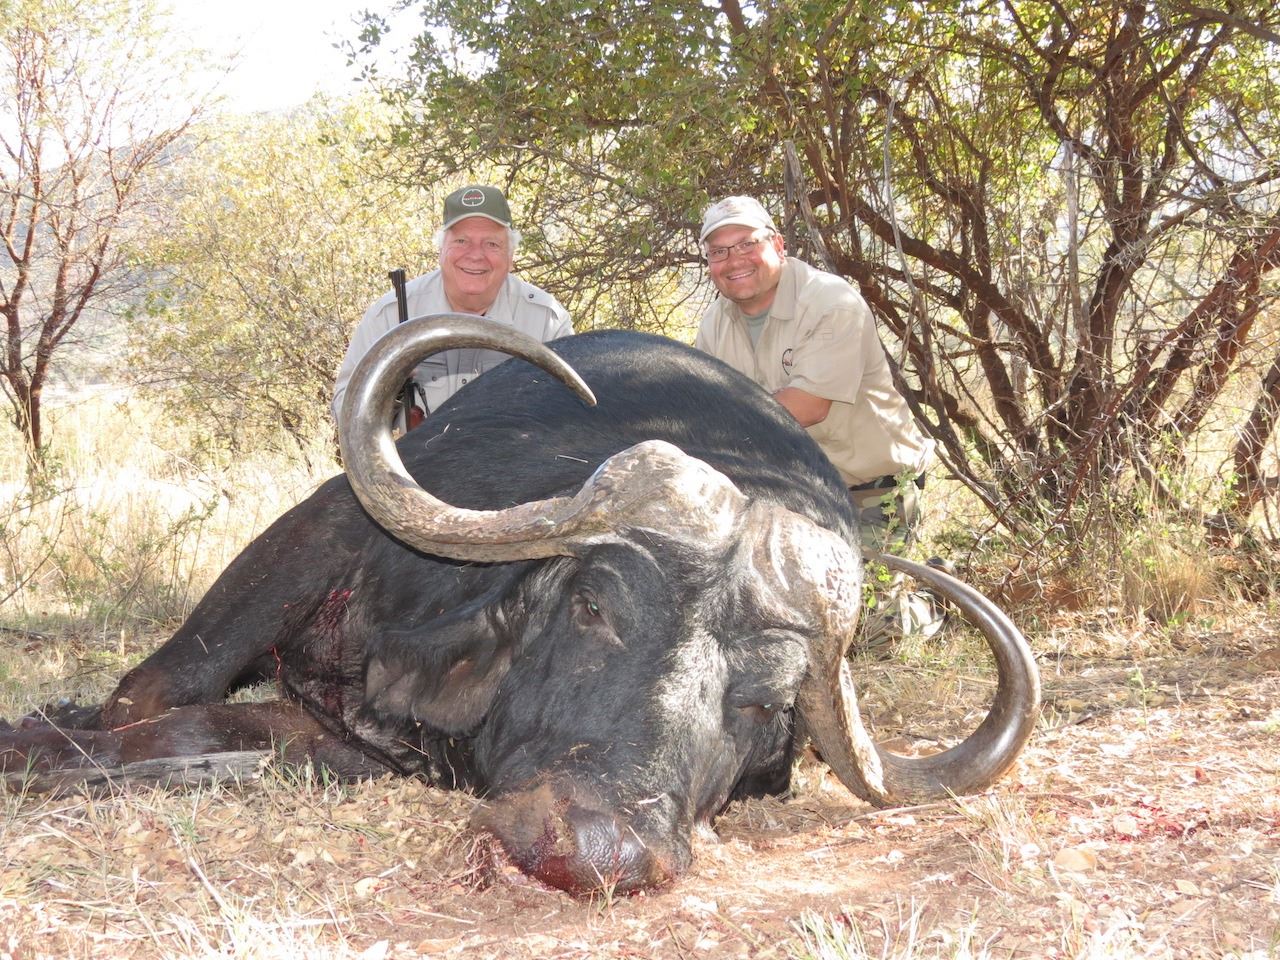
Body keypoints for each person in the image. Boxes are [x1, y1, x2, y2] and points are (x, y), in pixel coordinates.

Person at [693, 195, 944, 641]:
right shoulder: (715, 322)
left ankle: (937, 596)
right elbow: (706, 408)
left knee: (865, 632)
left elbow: (807, 406)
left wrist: (716, 425)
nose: (735, 260)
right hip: (792, 493)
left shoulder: (830, 301)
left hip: (871, 486)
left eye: (747, 244)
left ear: (778, 245)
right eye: (719, 251)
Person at [332, 184, 573, 431]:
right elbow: (346, 410)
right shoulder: (390, 314)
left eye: (492, 244)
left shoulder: (548, 322)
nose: (475, 255)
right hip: (417, 456)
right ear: (441, 250)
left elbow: (571, 415)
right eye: (461, 241)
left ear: (510, 256)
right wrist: (389, 391)